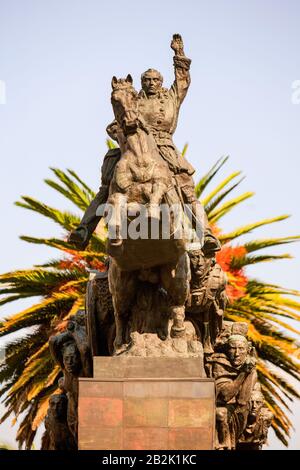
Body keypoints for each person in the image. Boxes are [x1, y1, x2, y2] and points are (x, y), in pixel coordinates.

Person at [69, 34, 220, 255]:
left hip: (166, 148)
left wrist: (178, 54)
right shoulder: (134, 101)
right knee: (106, 189)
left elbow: (182, 81)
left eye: (155, 80)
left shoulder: (170, 98)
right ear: (141, 83)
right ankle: (83, 230)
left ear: (161, 81)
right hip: (133, 146)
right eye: (146, 80)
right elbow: (114, 125)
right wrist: (127, 135)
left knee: (187, 191)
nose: (151, 83)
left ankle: (204, 233)